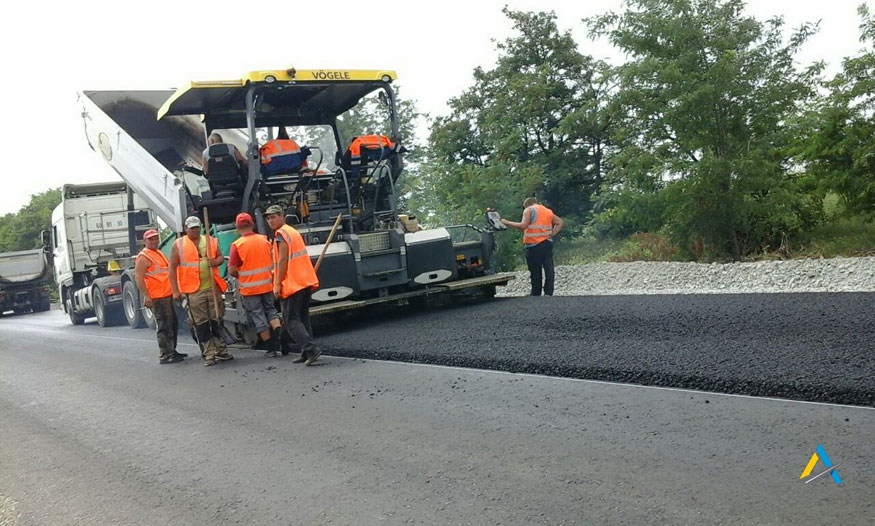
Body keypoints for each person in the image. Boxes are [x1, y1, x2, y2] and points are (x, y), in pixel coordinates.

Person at [169, 215, 234, 366]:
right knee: (201, 323)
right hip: (194, 290)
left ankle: (221, 350)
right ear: (186, 229)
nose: (195, 231)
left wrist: (215, 261)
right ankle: (209, 353)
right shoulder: (178, 245)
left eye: (197, 227)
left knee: (217, 319)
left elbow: (220, 258)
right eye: (191, 228)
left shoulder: (210, 241)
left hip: (212, 287)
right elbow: (172, 268)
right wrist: (175, 291)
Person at [263, 204, 322, 365]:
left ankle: (311, 348)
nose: (270, 221)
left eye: (273, 217)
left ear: (282, 216)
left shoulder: (281, 234)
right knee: (302, 318)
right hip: (304, 280)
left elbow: (282, 260)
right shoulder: (292, 231)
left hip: (292, 282)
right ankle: (306, 352)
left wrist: (277, 284)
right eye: (268, 218)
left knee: (291, 320)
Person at [228, 212, 284, 358]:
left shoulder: (237, 245)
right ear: (252, 224)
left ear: (237, 226)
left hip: (250, 289)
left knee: (258, 316)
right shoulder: (264, 240)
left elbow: (232, 269)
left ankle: (271, 348)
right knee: (271, 311)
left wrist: (242, 276)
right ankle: (280, 335)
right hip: (267, 285)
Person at [134, 229, 187, 364]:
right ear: (144, 241)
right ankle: (165, 354)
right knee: (164, 325)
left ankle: (171, 351)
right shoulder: (143, 257)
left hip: (166, 294)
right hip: (157, 296)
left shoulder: (158, 253)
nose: (154, 241)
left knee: (172, 324)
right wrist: (146, 296)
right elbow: (139, 278)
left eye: (156, 238)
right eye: (150, 239)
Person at [501, 197, 564, 296]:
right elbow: (560, 222)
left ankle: (536, 293)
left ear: (526, 205)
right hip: (547, 243)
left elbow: (523, 225)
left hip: (534, 245)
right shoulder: (547, 211)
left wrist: (507, 223)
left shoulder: (529, 210)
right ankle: (549, 292)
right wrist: (551, 234)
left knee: (535, 270)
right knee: (549, 268)